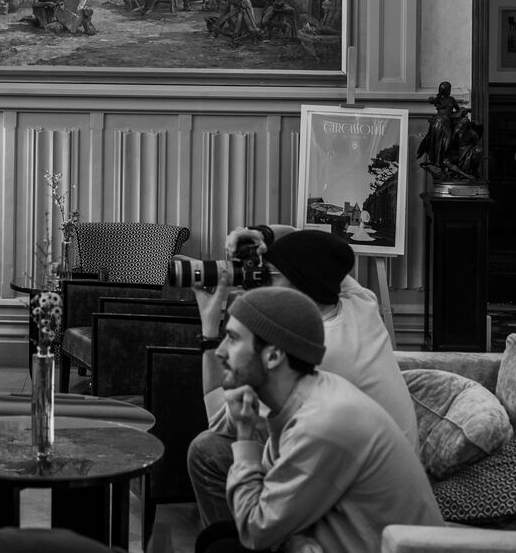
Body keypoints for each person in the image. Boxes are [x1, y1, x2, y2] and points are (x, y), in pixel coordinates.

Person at [188, 228, 418, 530]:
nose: (261, 280)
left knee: (207, 450)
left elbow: (217, 419)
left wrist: (209, 328)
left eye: (271, 275)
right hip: (389, 476)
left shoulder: (302, 354)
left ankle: (235, 543)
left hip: (364, 509)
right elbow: (313, 243)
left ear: (302, 283)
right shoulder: (359, 301)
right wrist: (260, 234)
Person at [196, 286, 442, 553]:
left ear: (273, 356)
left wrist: (245, 434)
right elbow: (270, 492)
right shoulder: (305, 393)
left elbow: (255, 531)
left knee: (221, 548)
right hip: (327, 535)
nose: (220, 351)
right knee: (215, 538)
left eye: (233, 339)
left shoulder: (322, 422)